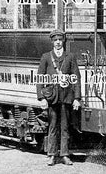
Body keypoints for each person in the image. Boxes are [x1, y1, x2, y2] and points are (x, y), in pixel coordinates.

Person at [36, 29, 81, 166]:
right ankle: (51, 155)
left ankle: (65, 155)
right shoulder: (46, 57)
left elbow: (76, 78)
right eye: (55, 40)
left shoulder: (70, 56)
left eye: (60, 40)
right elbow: (39, 79)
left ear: (63, 41)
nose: (58, 43)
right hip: (52, 98)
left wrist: (77, 98)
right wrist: (41, 98)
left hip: (66, 97)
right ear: (52, 42)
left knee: (65, 127)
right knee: (53, 126)